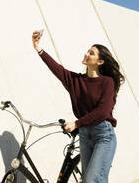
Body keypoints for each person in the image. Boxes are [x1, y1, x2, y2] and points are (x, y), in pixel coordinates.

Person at [31, 30, 125, 183]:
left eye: (92, 53)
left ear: (100, 62)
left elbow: (102, 112)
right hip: (84, 135)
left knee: (91, 180)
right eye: (88, 51)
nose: (87, 54)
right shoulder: (76, 81)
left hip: (103, 135)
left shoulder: (107, 82)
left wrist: (77, 123)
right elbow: (57, 68)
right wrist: (38, 49)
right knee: (93, 180)